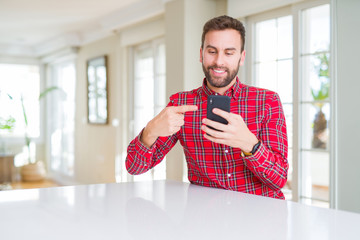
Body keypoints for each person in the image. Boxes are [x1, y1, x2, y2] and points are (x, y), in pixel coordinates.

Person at [126, 15, 288, 199]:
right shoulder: (181, 105)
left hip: (262, 219)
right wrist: (151, 130)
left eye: (229, 53)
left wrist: (248, 143)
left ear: (241, 57)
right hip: (204, 219)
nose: (219, 61)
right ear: (201, 54)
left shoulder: (267, 101)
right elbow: (134, 167)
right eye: (212, 51)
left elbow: (279, 179)